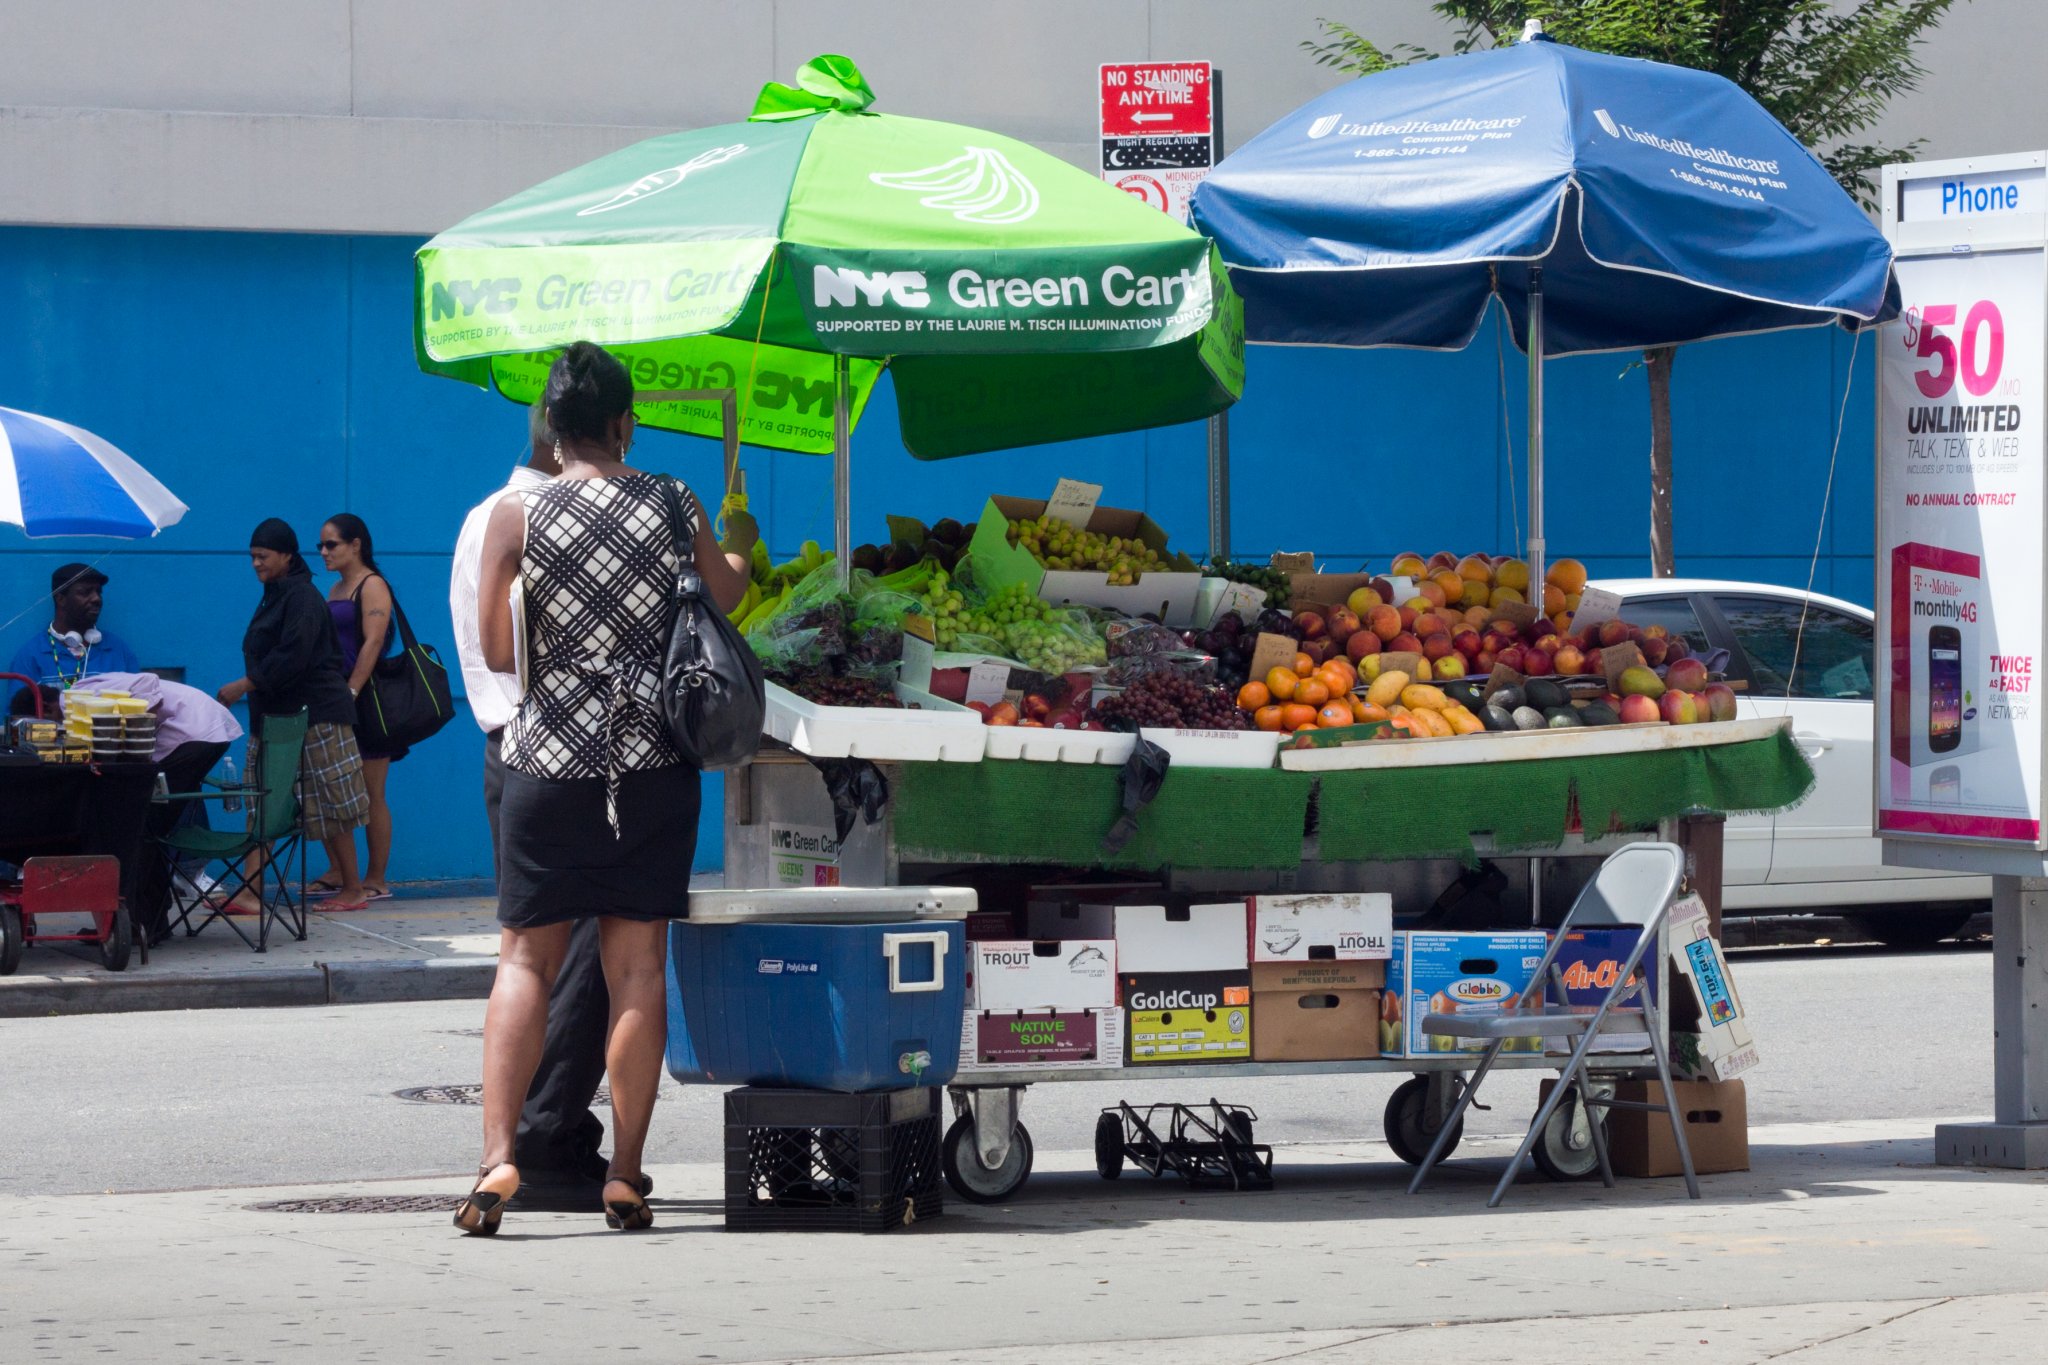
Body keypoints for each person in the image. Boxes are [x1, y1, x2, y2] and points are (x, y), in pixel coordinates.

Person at [454, 342, 751, 1236]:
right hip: (653, 770)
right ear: (627, 423)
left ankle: (497, 1157)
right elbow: (725, 597)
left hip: (545, 767)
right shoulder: (671, 499)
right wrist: (738, 543)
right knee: (634, 973)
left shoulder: (515, 516)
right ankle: (623, 1172)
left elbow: (501, 654)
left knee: (523, 962)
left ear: (551, 428)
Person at [451, 401, 611, 1213]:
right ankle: (546, 1132)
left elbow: (488, 649)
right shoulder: (539, 521)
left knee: (530, 951)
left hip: (510, 747)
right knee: (597, 947)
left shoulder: (485, 516)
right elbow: (510, 649)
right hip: (556, 747)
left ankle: (520, 1139)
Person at [214, 519, 371, 913]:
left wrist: (245, 684)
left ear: (286, 556)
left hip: (316, 715)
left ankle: (354, 888)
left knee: (331, 804)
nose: (255, 563)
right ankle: (250, 891)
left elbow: (293, 656)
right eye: (251, 556)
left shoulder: (301, 596)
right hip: (277, 719)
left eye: (262, 556)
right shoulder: (275, 594)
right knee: (265, 803)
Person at [74, 670, 242, 943]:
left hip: (196, 734)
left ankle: (134, 924)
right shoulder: (91, 690)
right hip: (204, 731)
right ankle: (152, 920)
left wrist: (136, 728)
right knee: (151, 826)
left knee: (139, 827)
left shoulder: (80, 692)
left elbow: (147, 683)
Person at [318, 513, 403, 901]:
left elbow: (372, 643)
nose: (323, 552)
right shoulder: (335, 589)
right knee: (332, 790)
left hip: (365, 702)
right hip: (334, 698)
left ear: (356, 545)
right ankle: (338, 870)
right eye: (321, 545)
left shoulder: (372, 586)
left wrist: (352, 691)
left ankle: (376, 878)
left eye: (331, 544)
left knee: (371, 793)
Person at [4, 564, 140, 710]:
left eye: (98, 592)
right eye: (85, 592)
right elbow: (17, 718)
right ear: (61, 599)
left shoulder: (117, 650)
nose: (96, 599)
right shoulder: (32, 655)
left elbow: (141, 706)